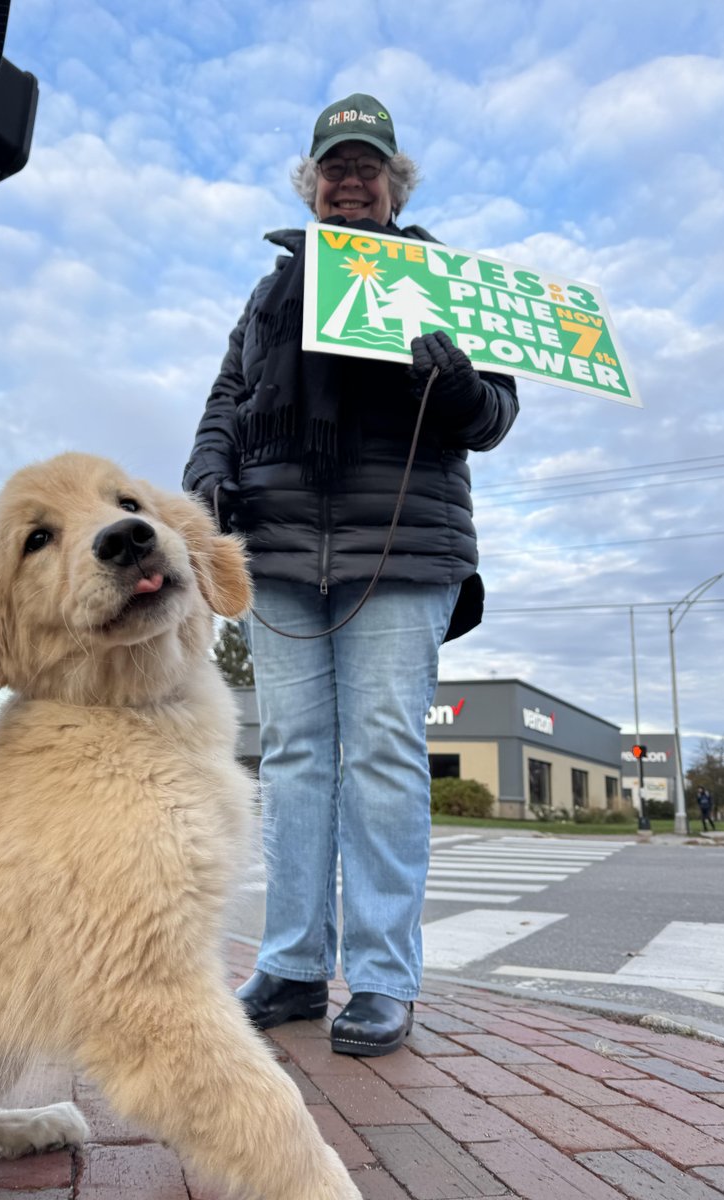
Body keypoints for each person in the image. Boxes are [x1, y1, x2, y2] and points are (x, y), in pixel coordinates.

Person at [183, 93, 519, 1057]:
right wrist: (208, 470)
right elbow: (227, 398)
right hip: (280, 548)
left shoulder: (446, 284)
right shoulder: (270, 293)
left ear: (395, 182)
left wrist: (458, 389)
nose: (353, 179)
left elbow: (495, 414)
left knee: (377, 755)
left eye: (370, 165)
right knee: (291, 758)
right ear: (314, 182)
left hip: (402, 549)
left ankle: (378, 978)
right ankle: (291, 964)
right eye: (336, 165)